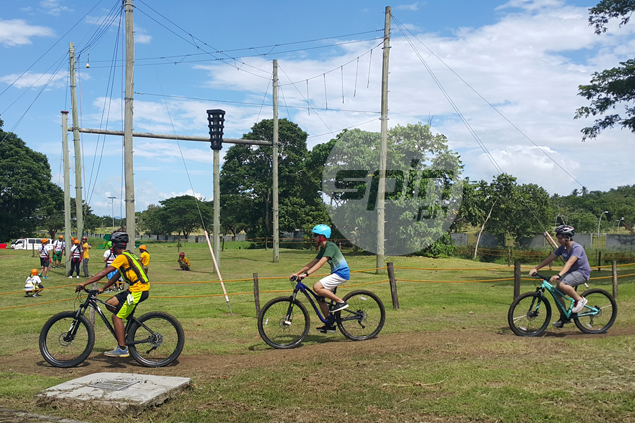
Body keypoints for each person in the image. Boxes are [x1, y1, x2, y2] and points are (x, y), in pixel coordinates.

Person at [76, 232, 149, 358]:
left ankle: (122, 348)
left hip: (138, 291)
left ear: (115, 245)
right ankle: (127, 328)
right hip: (136, 289)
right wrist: (103, 288)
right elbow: (117, 275)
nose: (111, 249)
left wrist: (84, 283)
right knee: (110, 303)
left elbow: (105, 272)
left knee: (116, 317)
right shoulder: (128, 254)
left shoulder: (121, 257)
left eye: (112, 246)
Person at [290, 224, 350, 333]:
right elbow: (313, 262)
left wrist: (306, 274)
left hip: (341, 274)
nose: (313, 237)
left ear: (322, 236)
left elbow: (320, 264)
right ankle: (329, 323)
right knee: (319, 297)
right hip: (336, 273)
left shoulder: (330, 246)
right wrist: (297, 273)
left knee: (317, 287)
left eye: (315, 235)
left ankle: (340, 302)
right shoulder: (324, 248)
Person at [529, 225, 590, 328]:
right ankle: (564, 318)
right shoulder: (562, 248)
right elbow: (550, 258)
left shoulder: (577, 248)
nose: (558, 240)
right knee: (557, 294)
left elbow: (570, 263)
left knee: (561, 283)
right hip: (571, 274)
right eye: (558, 238)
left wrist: (559, 275)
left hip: (582, 273)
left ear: (568, 237)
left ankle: (580, 300)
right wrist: (536, 268)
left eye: (560, 238)